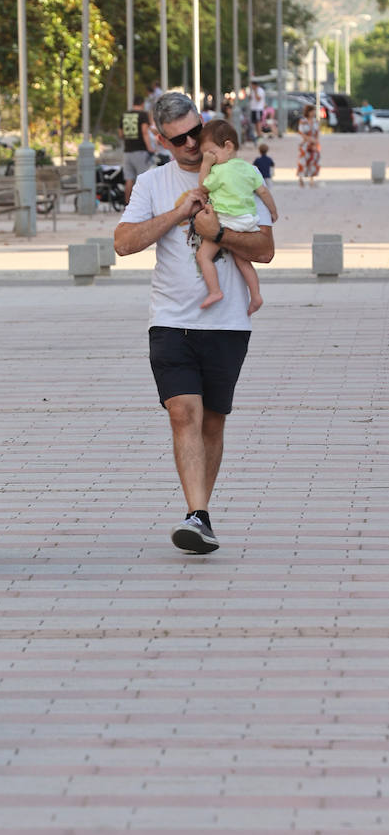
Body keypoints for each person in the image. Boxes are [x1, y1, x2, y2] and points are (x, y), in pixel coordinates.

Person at [113, 92, 274, 556]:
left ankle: (200, 513)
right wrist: (179, 213)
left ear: (204, 124)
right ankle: (197, 515)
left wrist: (217, 233)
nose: (189, 144)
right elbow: (123, 242)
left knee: (213, 422)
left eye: (194, 132)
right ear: (161, 140)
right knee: (183, 411)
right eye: (177, 139)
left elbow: (265, 249)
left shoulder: (239, 173)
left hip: (228, 323)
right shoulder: (152, 183)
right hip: (171, 320)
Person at [195, 119, 279, 315]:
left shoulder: (219, 170)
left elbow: (203, 186)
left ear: (228, 146)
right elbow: (264, 192)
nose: (209, 158)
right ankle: (256, 296)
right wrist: (273, 211)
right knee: (242, 260)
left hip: (226, 220)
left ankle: (215, 291)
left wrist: (206, 165)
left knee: (203, 256)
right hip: (247, 221)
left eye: (211, 153)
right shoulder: (249, 169)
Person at [120, 95, 155, 205]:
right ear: (142, 103)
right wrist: (150, 148)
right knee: (143, 179)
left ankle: (127, 204)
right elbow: (145, 132)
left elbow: (121, 134)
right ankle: (142, 204)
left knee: (129, 179)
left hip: (127, 151)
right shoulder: (143, 115)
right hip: (140, 150)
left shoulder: (124, 115)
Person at [296, 104, 321, 187]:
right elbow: (301, 133)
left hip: (314, 144)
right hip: (305, 143)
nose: (313, 113)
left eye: (314, 111)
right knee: (303, 161)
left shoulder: (316, 121)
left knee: (313, 161)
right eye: (312, 111)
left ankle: (311, 179)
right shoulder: (303, 121)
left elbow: (317, 133)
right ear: (308, 112)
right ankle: (301, 178)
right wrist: (310, 139)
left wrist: (316, 142)